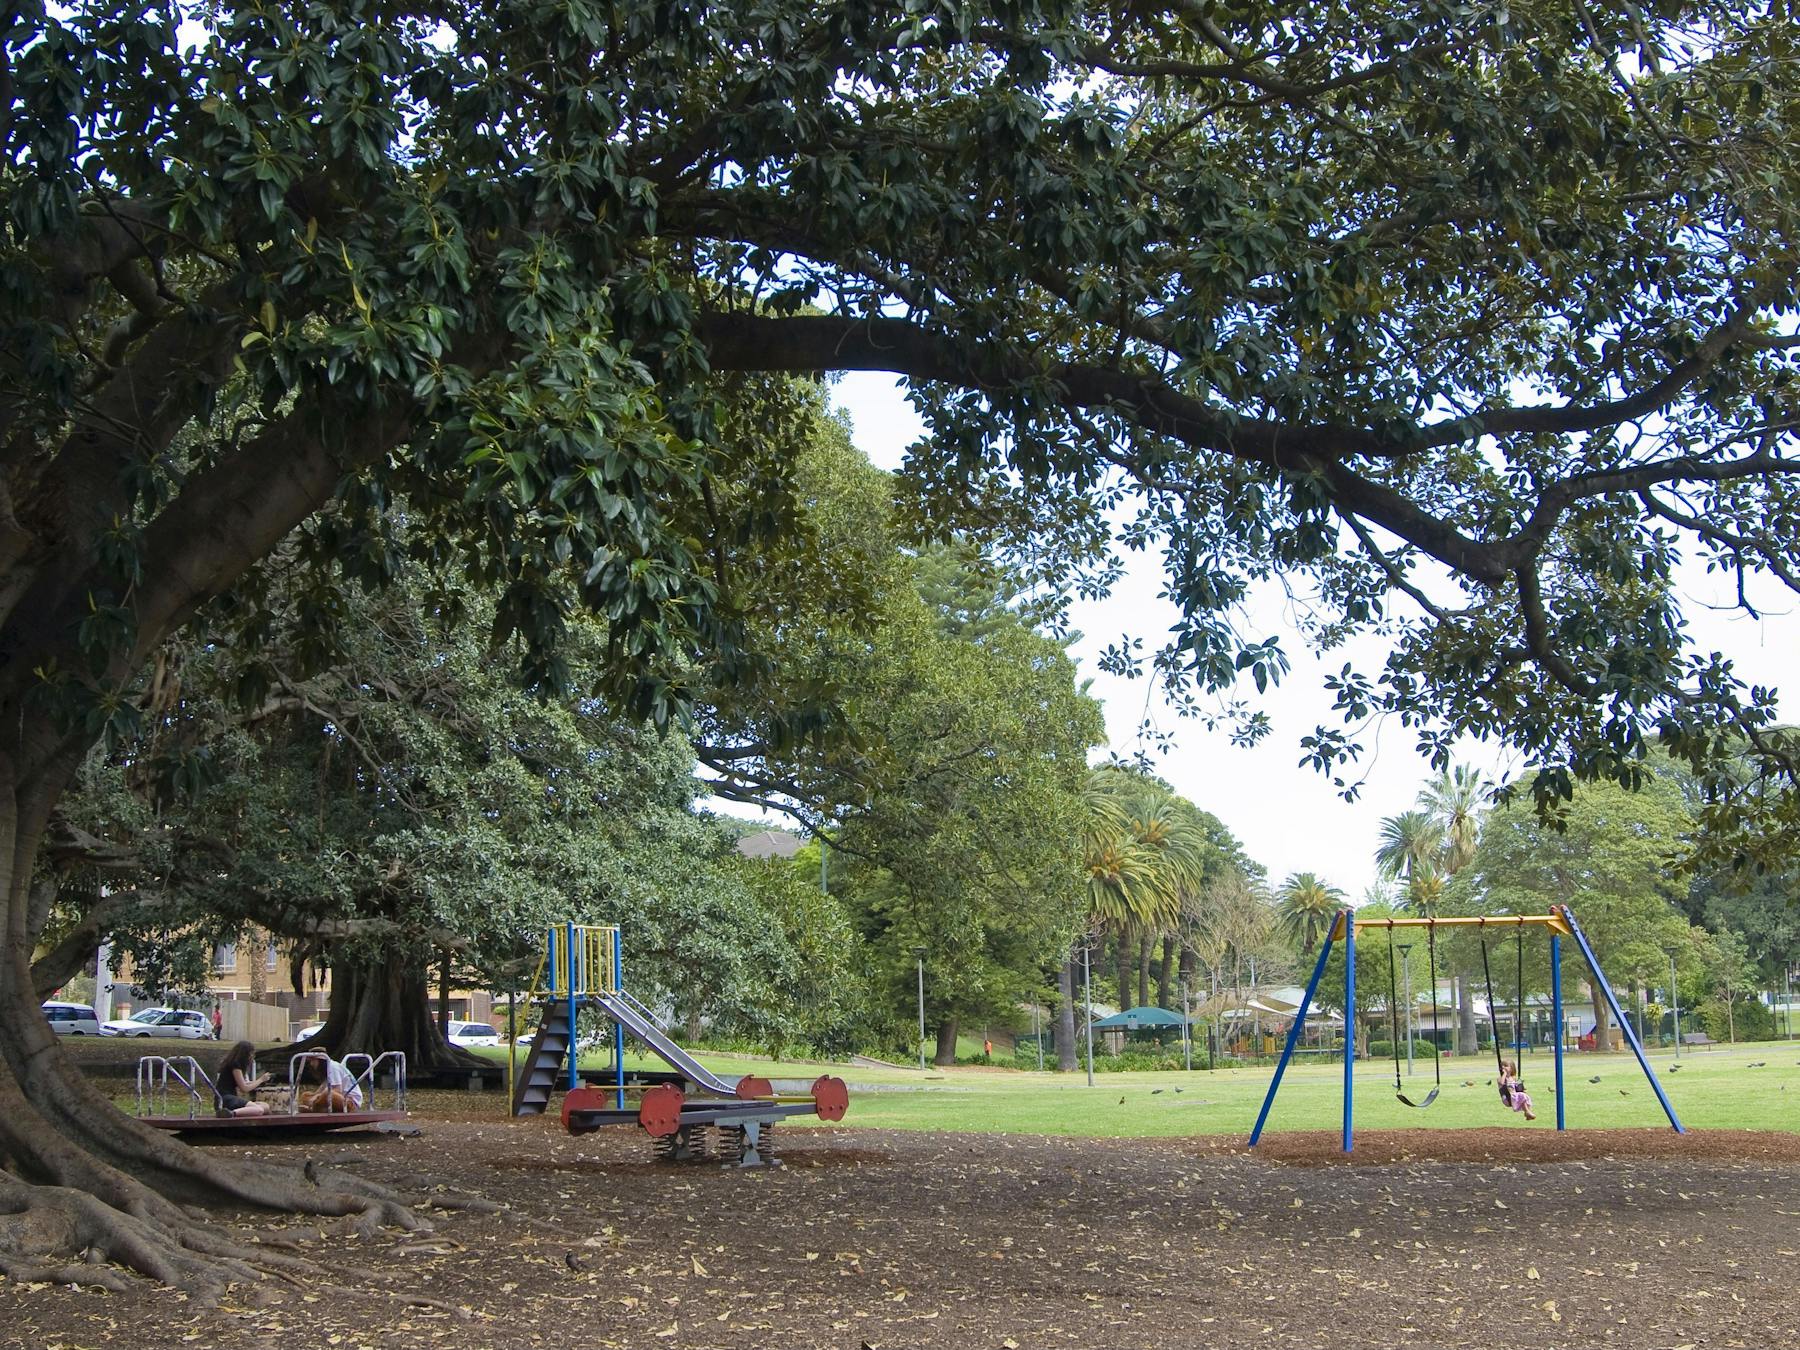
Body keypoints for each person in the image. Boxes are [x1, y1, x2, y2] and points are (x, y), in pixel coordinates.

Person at [215, 1040, 272, 1117]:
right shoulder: (235, 1065)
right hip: (225, 1098)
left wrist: (260, 1081)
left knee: (265, 1106)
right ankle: (230, 1113)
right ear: (245, 1054)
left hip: (232, 1098)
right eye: (251, 1054)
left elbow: (244, 1083)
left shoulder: (235, 1065)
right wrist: (261, 1079)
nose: (252, 1056)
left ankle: (233, 1112)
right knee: (259, 1110)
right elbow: (244, 1088)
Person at [297, 1052, 364, 1112]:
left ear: (320, 1060)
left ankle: (314, 1108)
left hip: (350, 1102)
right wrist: (312, 1097)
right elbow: (320, 1090)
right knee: (305, 1095)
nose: (311, 1064)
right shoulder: (327, 1071)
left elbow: (337, 1090)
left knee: (327, 1093)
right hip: (338, 1098)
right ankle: (314, 1107)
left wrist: (317, 1097)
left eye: (313, 1060)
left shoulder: (333, 1067)